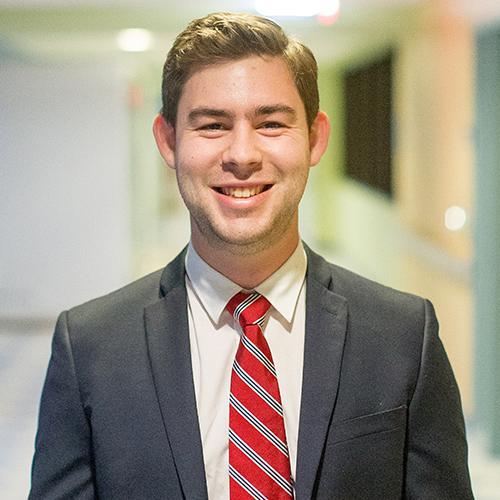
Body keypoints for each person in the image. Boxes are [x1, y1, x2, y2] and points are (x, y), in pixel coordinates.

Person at [30, 12, 473, 500]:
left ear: (315, 138)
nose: (242, 155)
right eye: (213, 125)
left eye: (271, 123)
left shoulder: (404, 338)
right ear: (169, 141)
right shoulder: (90, 349)